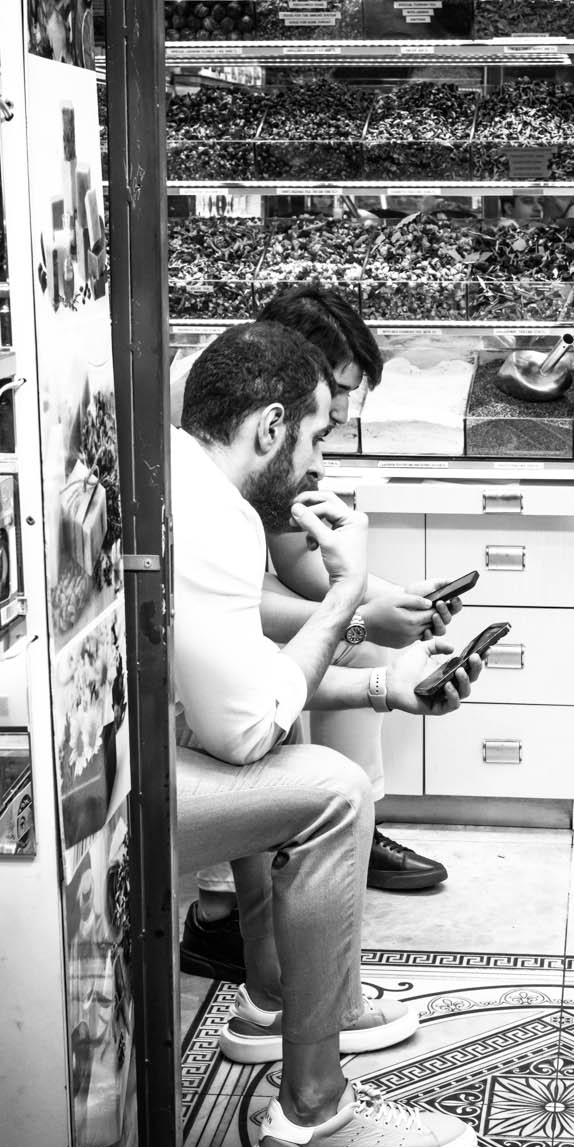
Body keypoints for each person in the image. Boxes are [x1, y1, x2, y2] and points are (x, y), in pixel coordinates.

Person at [172, 320, 482, 1147]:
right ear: (270, 428)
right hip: (108, 808)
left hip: (119, 760)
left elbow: (234, 688)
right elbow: (246, 731)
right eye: (314, 436)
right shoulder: (216, 518)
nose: (315, 465)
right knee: (334, 789)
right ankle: (313, 1116)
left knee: (305, 761)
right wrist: (348, 590)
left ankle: (277, 1006)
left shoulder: (176, 473)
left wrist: (389, 688)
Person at [175, 287, 467, 985]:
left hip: (193, 689)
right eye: (328, 417)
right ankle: (249, 926)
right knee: (317, 774)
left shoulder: (247, 449)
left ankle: (272, 958)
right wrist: (353, 613)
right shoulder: (209, 462)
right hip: (168, 747)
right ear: (276, 398)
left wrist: (388, 601)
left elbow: (295, 550)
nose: (330, 441)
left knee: (325, 686)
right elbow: (243, 622)